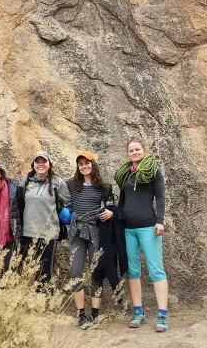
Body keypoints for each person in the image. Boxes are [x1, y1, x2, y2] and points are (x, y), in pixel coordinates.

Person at [114, 138, 168, 332]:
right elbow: (122, 201)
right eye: (131, 150)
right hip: (128, 229)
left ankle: (162, 315)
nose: (134, 152)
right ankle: (139, 312)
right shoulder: (126, 175)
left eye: (137, 149)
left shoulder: (153, 171)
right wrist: (117, 221)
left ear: (144, 150)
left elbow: (160, 197)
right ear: (127, 154)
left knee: (156, 269)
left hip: (148, 227)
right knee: (133, 271)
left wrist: (160, 220)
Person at [66, 151, 114, 328]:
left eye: (87, 163)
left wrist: (111, 213)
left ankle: (94, 313)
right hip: (77, 232)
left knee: (96, 272)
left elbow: (111, 208)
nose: (84, 166)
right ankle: (81, 314)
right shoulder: (71, 184)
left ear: (94, 164)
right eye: (81, 164)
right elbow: (56, 190)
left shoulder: (104, 187)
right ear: (78, 167)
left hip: (95, 231)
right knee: (76, 271)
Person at [21, 151, 70, 292]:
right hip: (27, 232)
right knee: (29, 268)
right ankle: (32, 301)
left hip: (48, 233)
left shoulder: (57, 182)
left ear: (49, 164)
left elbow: (70, 201)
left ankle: (46, 302)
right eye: (37, 162)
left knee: (45, 270)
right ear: (33, 165)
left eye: (44, 162)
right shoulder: (26, 181)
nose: (41, 164)